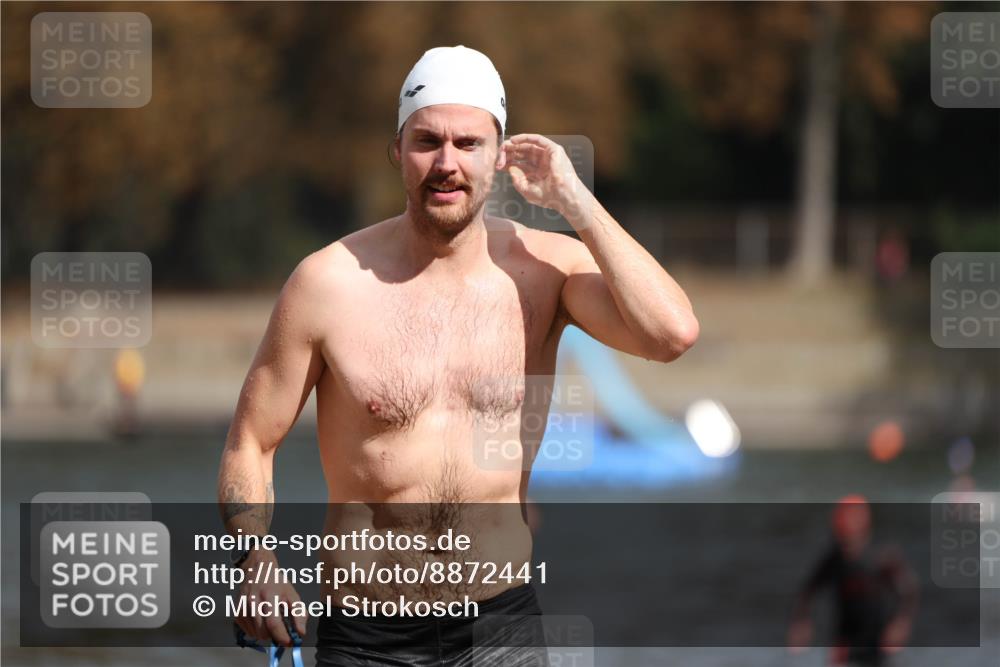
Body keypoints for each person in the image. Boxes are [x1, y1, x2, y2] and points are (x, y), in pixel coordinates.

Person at [217, 45, 699, 665]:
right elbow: (250, 442)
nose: (447, 163)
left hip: (502, 625)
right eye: (428, 141)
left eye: (468, 143)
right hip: (369, 637)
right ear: (397, 148)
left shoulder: (545, 269)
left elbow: (671, 334)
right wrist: (255, 561)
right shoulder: (327, 284)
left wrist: (576, 202)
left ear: (499, 156)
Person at [787, 496, 920, 666]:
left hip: (878, 639)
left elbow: (910, 590)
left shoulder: (882, 556)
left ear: (864, 531)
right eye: (843, 541)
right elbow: (808, 590)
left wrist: (901, 624)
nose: (847, 549)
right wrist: (801, 622)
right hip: (845, 639)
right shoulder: (834, 559)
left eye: (850, 541)